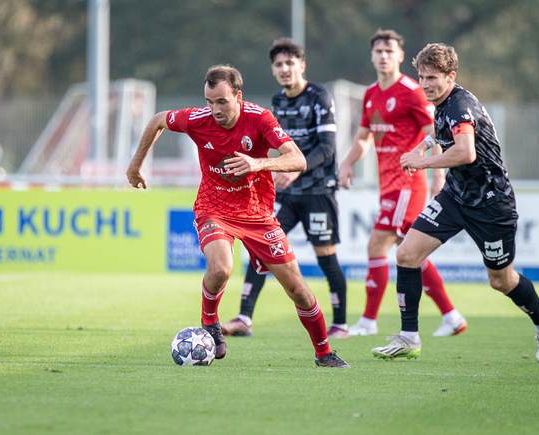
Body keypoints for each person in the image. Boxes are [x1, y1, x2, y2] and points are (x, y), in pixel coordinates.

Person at [126, 65, 350, 368]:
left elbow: (296, 159)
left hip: (257, 214)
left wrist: (258, 164)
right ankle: (210, 323)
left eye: (222, 102)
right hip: (213, 207)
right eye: (209, 101)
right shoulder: (197, 119)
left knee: (298, 290)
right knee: (221, 268)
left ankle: (324, 353)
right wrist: (134, 167)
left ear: (238, 96)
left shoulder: (259, 119)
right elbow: (157, 121)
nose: (214, 109)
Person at [371, 43, 539, 362]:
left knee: (501, 280)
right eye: (421, 77)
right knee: (406, 253)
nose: (425, 84)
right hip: (456, 197)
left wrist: (423, 163)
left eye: (432, 77)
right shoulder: (442, 102)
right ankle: (409, 337)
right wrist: (422, 147)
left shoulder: (460, 105)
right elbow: (439, 134)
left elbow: (465, 152)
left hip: (491, 204)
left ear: (451, 76)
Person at [339, 29, 466, 337]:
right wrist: (346, 162)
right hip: (389, 184)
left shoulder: (411, 90)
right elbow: (363, 139)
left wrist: (438, 176)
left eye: (389, 51)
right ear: (372, 56)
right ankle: (451, 315)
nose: (383, 56)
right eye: (378, 51)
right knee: (409, 250)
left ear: (399, 56)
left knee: (376, 244)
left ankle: (368, 321)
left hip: (408, 184)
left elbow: (435, 133)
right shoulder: (370, 94)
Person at [221, 38, 349, 339]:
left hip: (318, 190)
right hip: (287, 193)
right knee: (262, 250)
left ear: (301, 66)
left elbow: (328, 148)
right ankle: (244, 318)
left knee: (326, 256)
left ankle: (341, 324)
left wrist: (293, 170)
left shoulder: (319, 97)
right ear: (273, 70)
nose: (284, 69)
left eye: (290, 63)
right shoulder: (278, 101)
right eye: (279, 64)